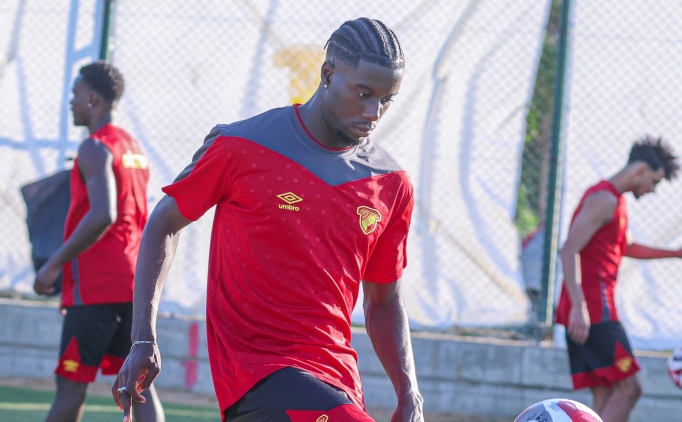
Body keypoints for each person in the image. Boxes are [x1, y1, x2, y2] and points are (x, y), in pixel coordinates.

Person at [112, 17, 424, 422]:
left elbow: (384, 301)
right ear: (327, 73)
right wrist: (143, 337)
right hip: (256, 373)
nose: (374, 112)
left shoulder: (390, 183)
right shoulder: (241, 146)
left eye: (386, 100)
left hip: (338, 381)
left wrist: (409, 393)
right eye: (364, 94)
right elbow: (164, 224)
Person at [33, 61, 164, 422]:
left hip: (97, 286)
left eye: (75, 94)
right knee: (139, 387)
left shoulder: (94, 147)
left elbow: (103, 214)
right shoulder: (133, 147)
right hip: (134, 281)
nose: (71, 101)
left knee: (70, 386)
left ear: (92, 99)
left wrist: (54, 264)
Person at [556, 136, 681, 422]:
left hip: (592, 308)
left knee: (605, 393)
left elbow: (626, 246)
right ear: (640, 171)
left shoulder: (615, 201)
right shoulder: (605, 199)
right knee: (630, 389)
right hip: (593, 310)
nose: (653, 190)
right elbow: (569, 249)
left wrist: (674, 253)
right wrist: (579, 307)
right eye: (654, 181)